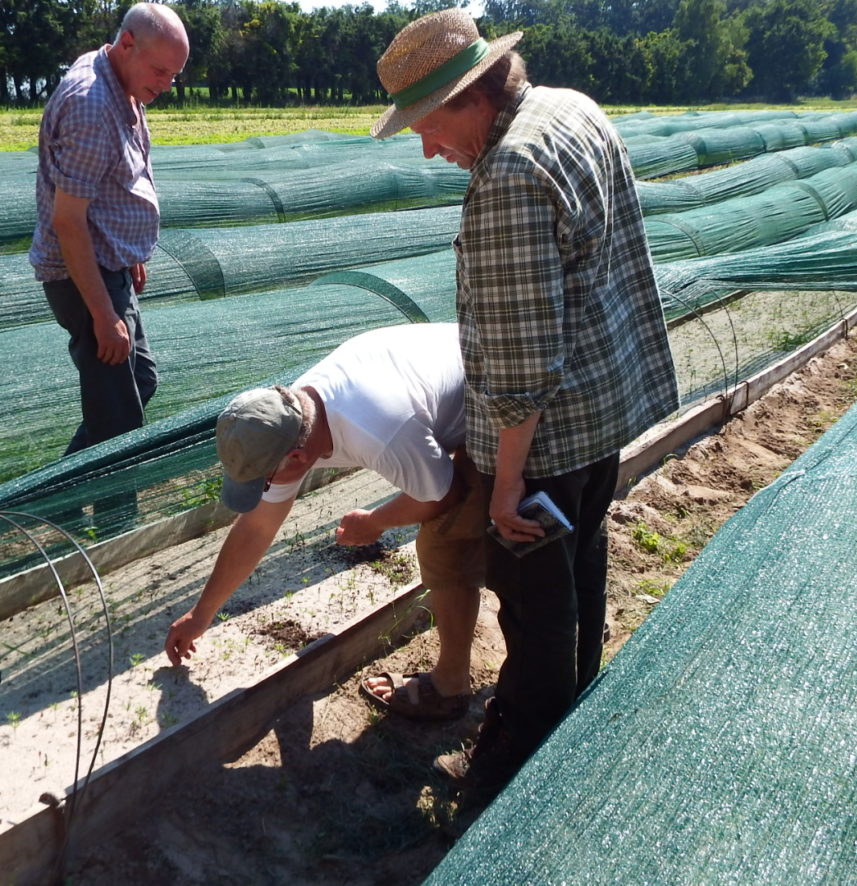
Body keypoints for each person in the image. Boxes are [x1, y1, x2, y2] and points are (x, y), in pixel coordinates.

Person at [373, 9, 679, 792]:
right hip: (604, 408)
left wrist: (507, 483)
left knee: (534, 612)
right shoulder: (570, 107)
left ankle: (519, 776)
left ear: (471, 94)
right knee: (580, 568)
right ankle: (577, 711)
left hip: (546, 440)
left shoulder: (507, 173)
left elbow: (520, 356)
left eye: (427, 123)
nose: (426, 145)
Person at [164, 323, 485, 721]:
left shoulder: (379, 430)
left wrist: (376, 521)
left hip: (497, 387)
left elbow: (443, 495)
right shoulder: (291, 418)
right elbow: (258, 526)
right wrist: (202, 613)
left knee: (445, 545)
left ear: (297, 460)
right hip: (445, 383)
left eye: (264, 480)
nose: (266, 490)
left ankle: (451, 688)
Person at [30, 3, 189, 456]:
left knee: (138, 381)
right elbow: (68, 221)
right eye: (159, 71)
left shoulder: (121, 80)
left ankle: (59, 492)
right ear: (126, 45)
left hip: (109, 263)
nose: (164, 85)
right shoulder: (90, 105)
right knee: (119, 421)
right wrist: (103, 316)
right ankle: (112, 521)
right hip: (84, 277)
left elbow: (118, 179)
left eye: (173, 75)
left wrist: (129, 249)